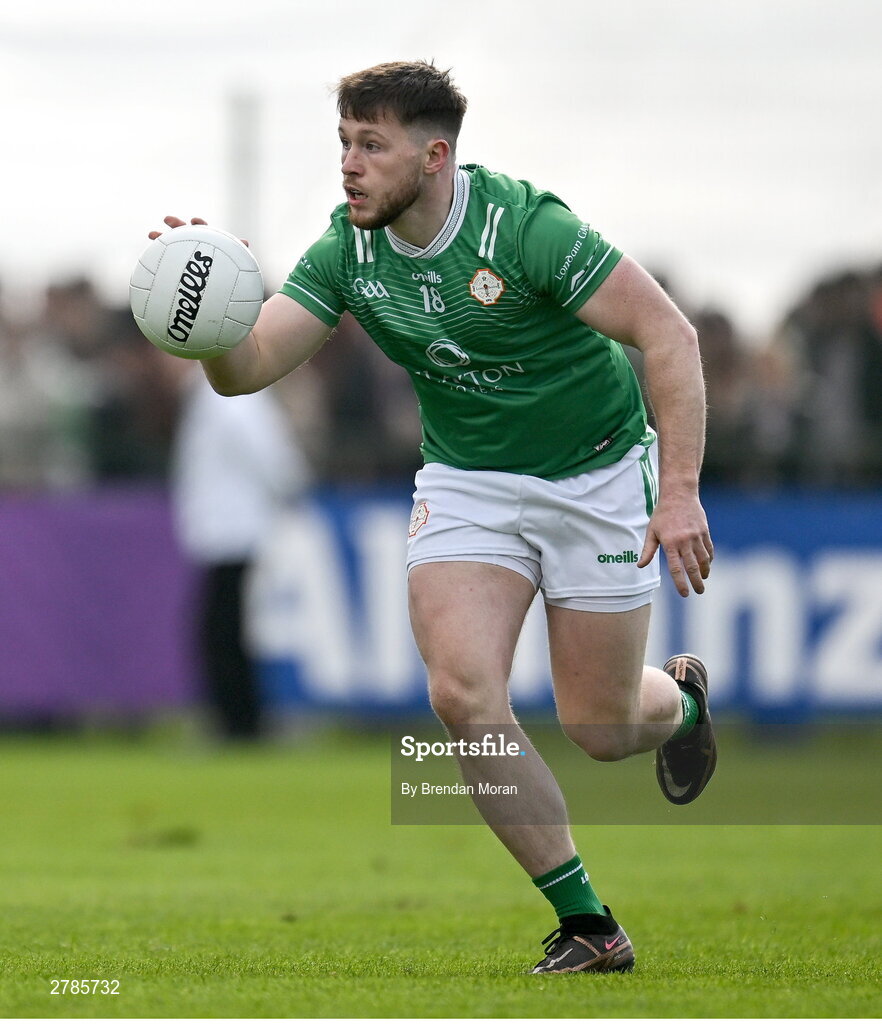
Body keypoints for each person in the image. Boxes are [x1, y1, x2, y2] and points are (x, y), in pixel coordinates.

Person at [148, 59, 715, 974]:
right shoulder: (347, 248)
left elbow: (670, 335)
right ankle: (588, 924)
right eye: (343, 143)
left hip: (598, 475)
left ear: (436, 154)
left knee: (601, 729)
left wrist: (680, 488)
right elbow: (249, 366)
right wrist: (208, 323)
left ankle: (682, 703)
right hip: (468, 482)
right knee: (460, 692)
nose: (350, 165)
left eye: (372, 145)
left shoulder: (526, 227)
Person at [170, 370, 311, 741]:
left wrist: (290, 486)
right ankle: (239, 720)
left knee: (224, 632)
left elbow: (269, 453)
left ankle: (239, 722)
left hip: (234, 531)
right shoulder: (216, 394)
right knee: (226, 630)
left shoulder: (227, 395)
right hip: (226, 531)